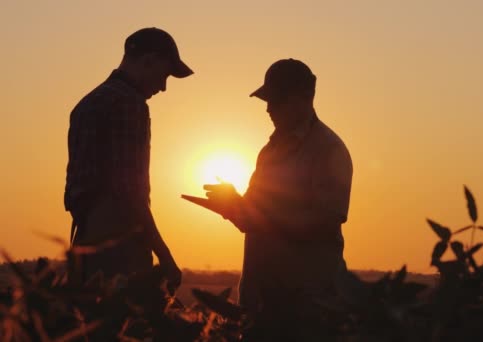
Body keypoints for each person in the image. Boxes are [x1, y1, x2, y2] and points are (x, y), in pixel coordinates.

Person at [199, 58, 353, 339]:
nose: (268, 109)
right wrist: (232, 205)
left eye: (276, 101)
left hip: (308, 305)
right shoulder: (268, 152)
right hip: (261, 302)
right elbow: (253, 216)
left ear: (302, 99)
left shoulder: (329, 150)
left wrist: (258, 218)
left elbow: (326, 221)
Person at [64, 27, 192, 291]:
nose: (164, 87)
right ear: (149, 61)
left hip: (84, 239)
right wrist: (164, 255)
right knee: (130, 327)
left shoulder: (84, 105)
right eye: (165, 74)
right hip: (120, 245)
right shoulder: (130, 104)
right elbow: (129, 192)